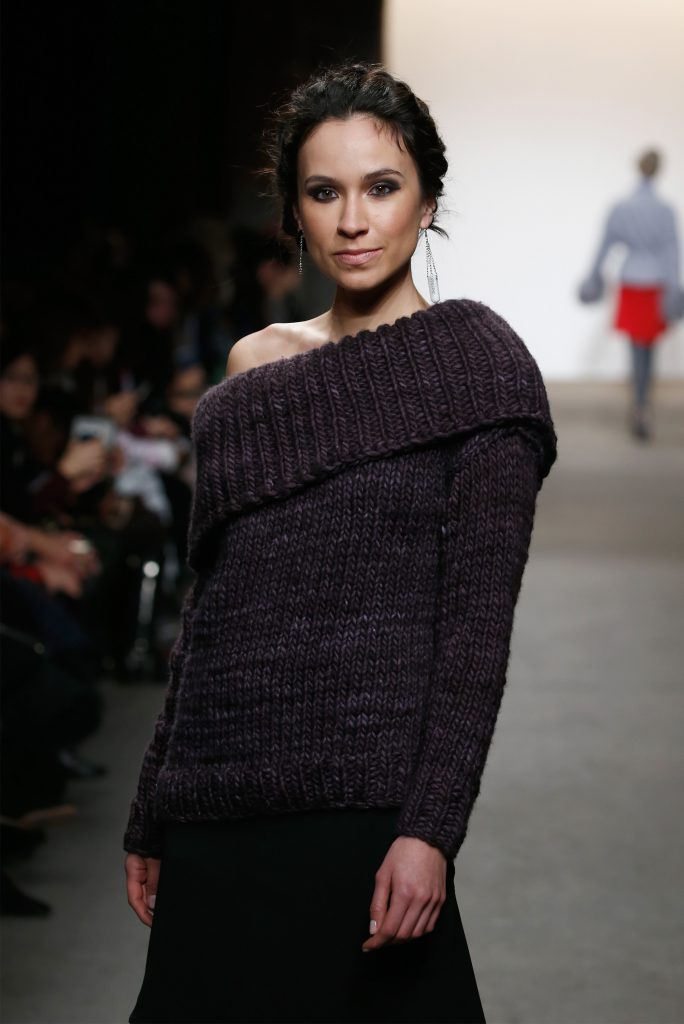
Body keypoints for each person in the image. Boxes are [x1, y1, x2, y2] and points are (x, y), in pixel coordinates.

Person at [124, 62, 557, 1024]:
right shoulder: (251, 369)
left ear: (428, 201)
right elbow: (212, 608)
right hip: (217, 803)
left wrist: (432, 833)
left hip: (364, 816)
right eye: (325, 192)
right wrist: (154, 801)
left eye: (382, 187)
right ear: (294, 211)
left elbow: (475, 633)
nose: (353, 220)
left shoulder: (480, 371)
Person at [578, 149, 683, 441]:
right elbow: (672, 253)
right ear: (658, 170)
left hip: (632, 282)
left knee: (636, 348)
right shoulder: (666, 210)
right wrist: (675, 289)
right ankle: (642, 403)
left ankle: (638, 404)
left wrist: (593, 278)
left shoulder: (621, 207)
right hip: (655, 285)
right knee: (649, 348)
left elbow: (604, 247)